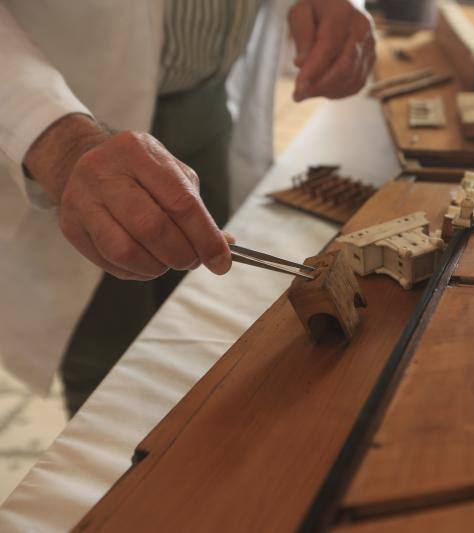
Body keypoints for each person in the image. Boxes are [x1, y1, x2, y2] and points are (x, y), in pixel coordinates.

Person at [0, 0, 375, 415]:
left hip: (210, 103)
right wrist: (62, 142)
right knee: (107, 372)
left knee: (199, 329)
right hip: (72, 114)